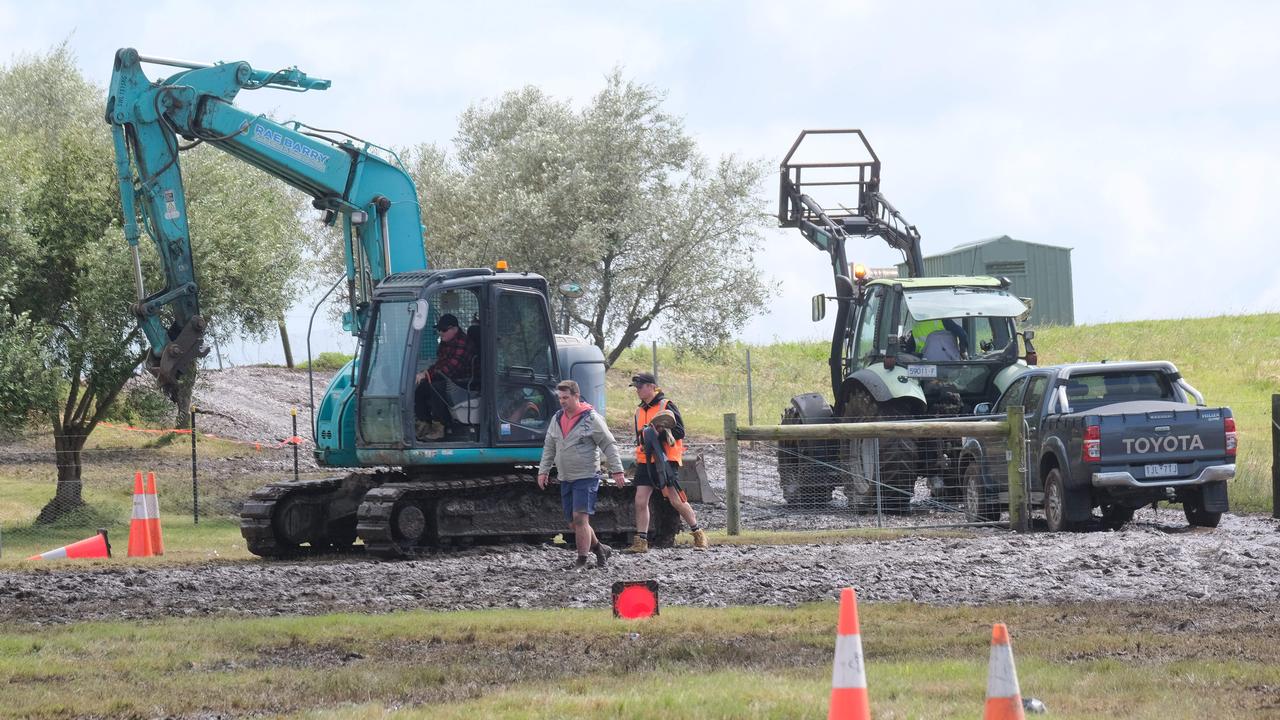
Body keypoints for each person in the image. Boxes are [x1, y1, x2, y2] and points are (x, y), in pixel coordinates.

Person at [537, 379, 625, 571]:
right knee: (573, 523)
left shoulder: (591, 419)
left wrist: (617, 469)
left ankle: (582, 560)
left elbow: (608, 444)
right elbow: (549, 446)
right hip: (565, 477)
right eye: (560, 398)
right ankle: (600, 549)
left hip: (586, 475)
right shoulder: (557, 419)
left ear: (576, 396)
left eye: (566, 397)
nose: (562, 401)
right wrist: (543, 471)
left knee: (580, 518)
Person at [624, 372, 708, 553]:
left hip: (665, 460)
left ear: (652, 386)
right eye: (636, 387)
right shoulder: (638, 411)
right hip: (645, 461)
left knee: (675, 500)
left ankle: (698, 533)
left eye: (640, 386)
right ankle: (641, 542)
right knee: (640, 500)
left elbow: (680, 432)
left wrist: (660, 433)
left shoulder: (667, 405)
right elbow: (639, 438)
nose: (637, 390)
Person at [414, 313, 473, 440]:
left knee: (436, 388)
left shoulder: (463, 343)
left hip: (464, 381)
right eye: (438, 330)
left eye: (444, 330)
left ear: (454, 329)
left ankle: (439, 427)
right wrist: (425, 374)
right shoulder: (446, 343)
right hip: (450, 378)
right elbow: (439, 364)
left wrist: (428, 374)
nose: (440, 333)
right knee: (421, 388)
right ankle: (424, 424)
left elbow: (450, 369)